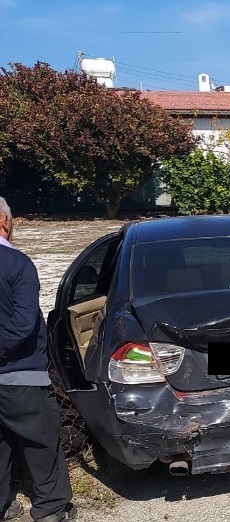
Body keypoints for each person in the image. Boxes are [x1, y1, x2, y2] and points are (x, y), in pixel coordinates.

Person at [0, 197, 76, 522]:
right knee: (41, 439)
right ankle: (51, 509)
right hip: (20, 375)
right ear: (5, 222)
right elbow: (22, 326)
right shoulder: (18, 265)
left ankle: (3, 505)